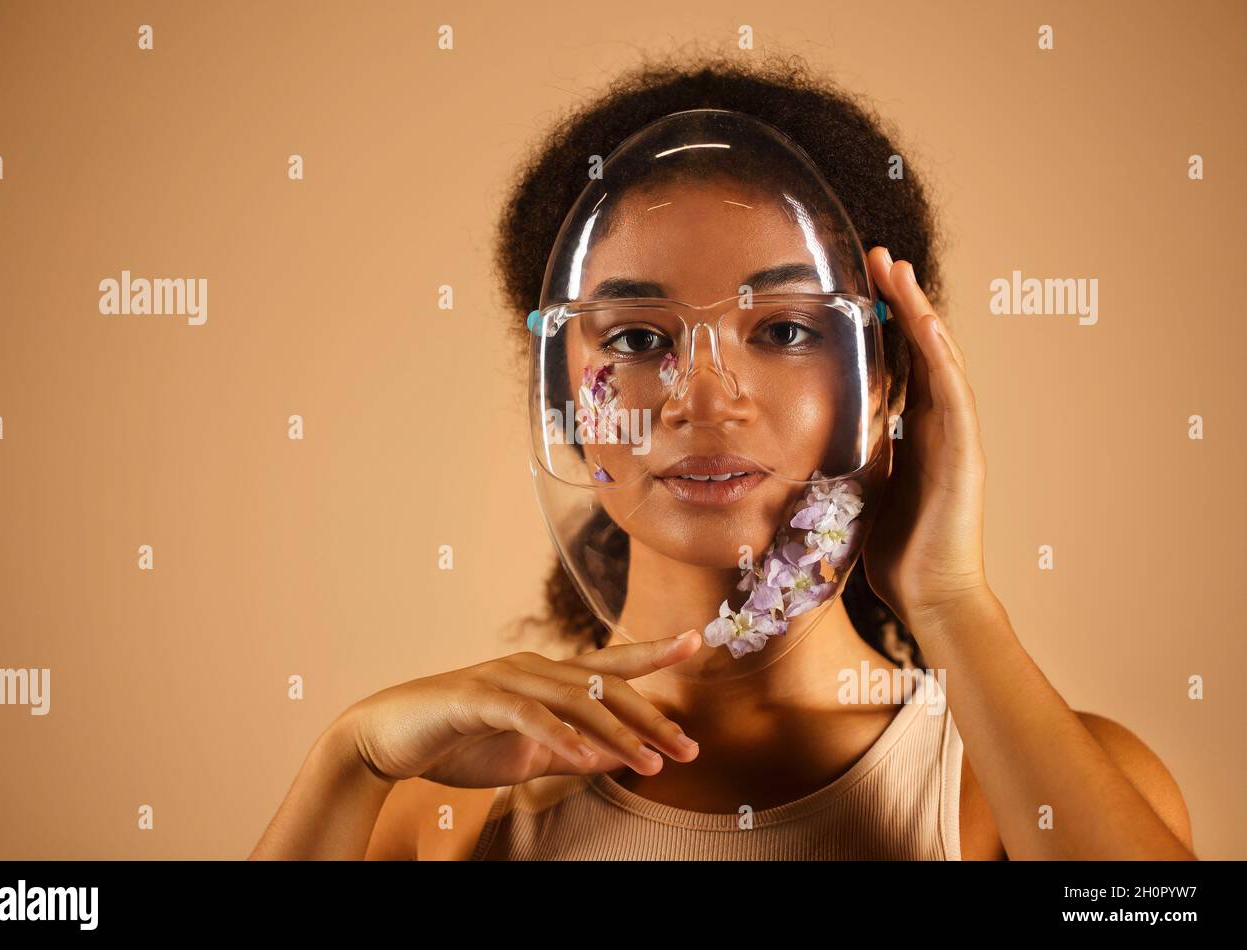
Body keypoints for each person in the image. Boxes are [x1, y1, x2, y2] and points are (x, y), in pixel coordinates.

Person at [250, 55, 1195, 861]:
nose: (704, 396)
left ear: (890, 380)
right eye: (633, 339)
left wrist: (953, 603)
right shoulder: (446, 806)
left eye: (783, 328)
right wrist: (350, 761)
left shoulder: (1017, 791)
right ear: (559, 395)